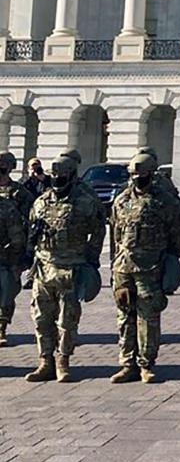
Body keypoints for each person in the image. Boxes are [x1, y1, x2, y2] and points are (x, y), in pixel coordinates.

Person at [26, 155, 106, 382]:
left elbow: (98, 230)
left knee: (67, 321)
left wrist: (91, 259)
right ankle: (45, 361)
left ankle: (63, 360)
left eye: (63, 174)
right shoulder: (41, 202)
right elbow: (32, 230)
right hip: (44, 268)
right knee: (41, 318)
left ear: (72, 175)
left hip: (72, 269)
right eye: (55, 174)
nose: (58, 178)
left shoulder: (85, 201)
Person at [109, 152, 180, 384]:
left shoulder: (165, 201)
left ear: (151, 174)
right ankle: (126, 363)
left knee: (148, 318)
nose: (136, 178)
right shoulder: (121, 200)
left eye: (141, 174)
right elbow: (114, 234)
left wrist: (170, 263)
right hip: (124, 268)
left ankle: (146, 363)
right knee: (125, 316)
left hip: (151, 268)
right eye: (133, 175)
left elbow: (176, 235)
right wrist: (114, 265)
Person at [0, 151, 31, 346]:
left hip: (10, 252)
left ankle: (1, 327)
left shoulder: (20, 193)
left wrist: (25, 253)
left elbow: (30, 223)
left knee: (6, 291)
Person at [0, 192, 26, 352]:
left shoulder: (6, 207)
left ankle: (1, 328)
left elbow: (17, 238)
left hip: (2, 261)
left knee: (4, 295)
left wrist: (15, 261)